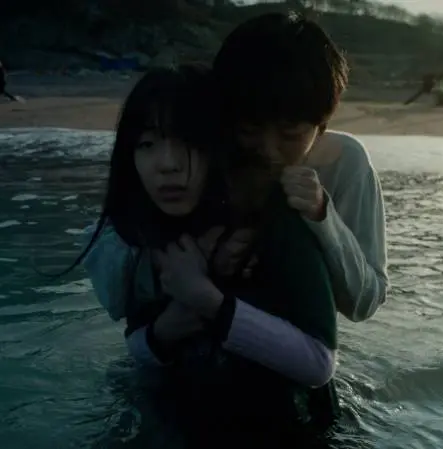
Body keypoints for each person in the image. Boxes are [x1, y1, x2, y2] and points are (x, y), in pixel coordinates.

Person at [83, 11, 388, 434]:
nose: (268, 149)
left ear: (321, 125)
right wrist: (176, 271)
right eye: (249, 130)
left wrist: (323, 217)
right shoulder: (204, 155)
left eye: (290, 134)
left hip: (284, 366)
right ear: (227, 119)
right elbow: (123, 286)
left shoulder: (344, 163)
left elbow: (362, 304)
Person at [76, 64, 338, 447]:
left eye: (189, 142)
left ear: (220, 147)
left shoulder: (277, 221)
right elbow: (137, 345)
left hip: (288, 428)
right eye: (146, 144)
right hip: (181, 421)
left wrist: (207, 300)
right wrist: (168, 328)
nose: (167, 164)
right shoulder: (145, 231)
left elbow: (318, 364)